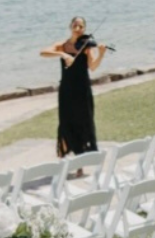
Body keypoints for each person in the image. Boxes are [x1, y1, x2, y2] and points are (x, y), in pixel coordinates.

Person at [40, 16, 108, 158]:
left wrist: (101, 54)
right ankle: (63, 157)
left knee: (84, 122)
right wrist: (63, 54)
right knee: (65, 122)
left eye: (81, 27)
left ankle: (81, 160)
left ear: (84, 29)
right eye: (75, 25)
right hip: (66, 91)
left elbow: (92, 67)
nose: (78, 29)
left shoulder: (86, 48)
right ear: (70, 26)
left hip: (83, 90)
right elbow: (43, 52)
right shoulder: (61, 45)